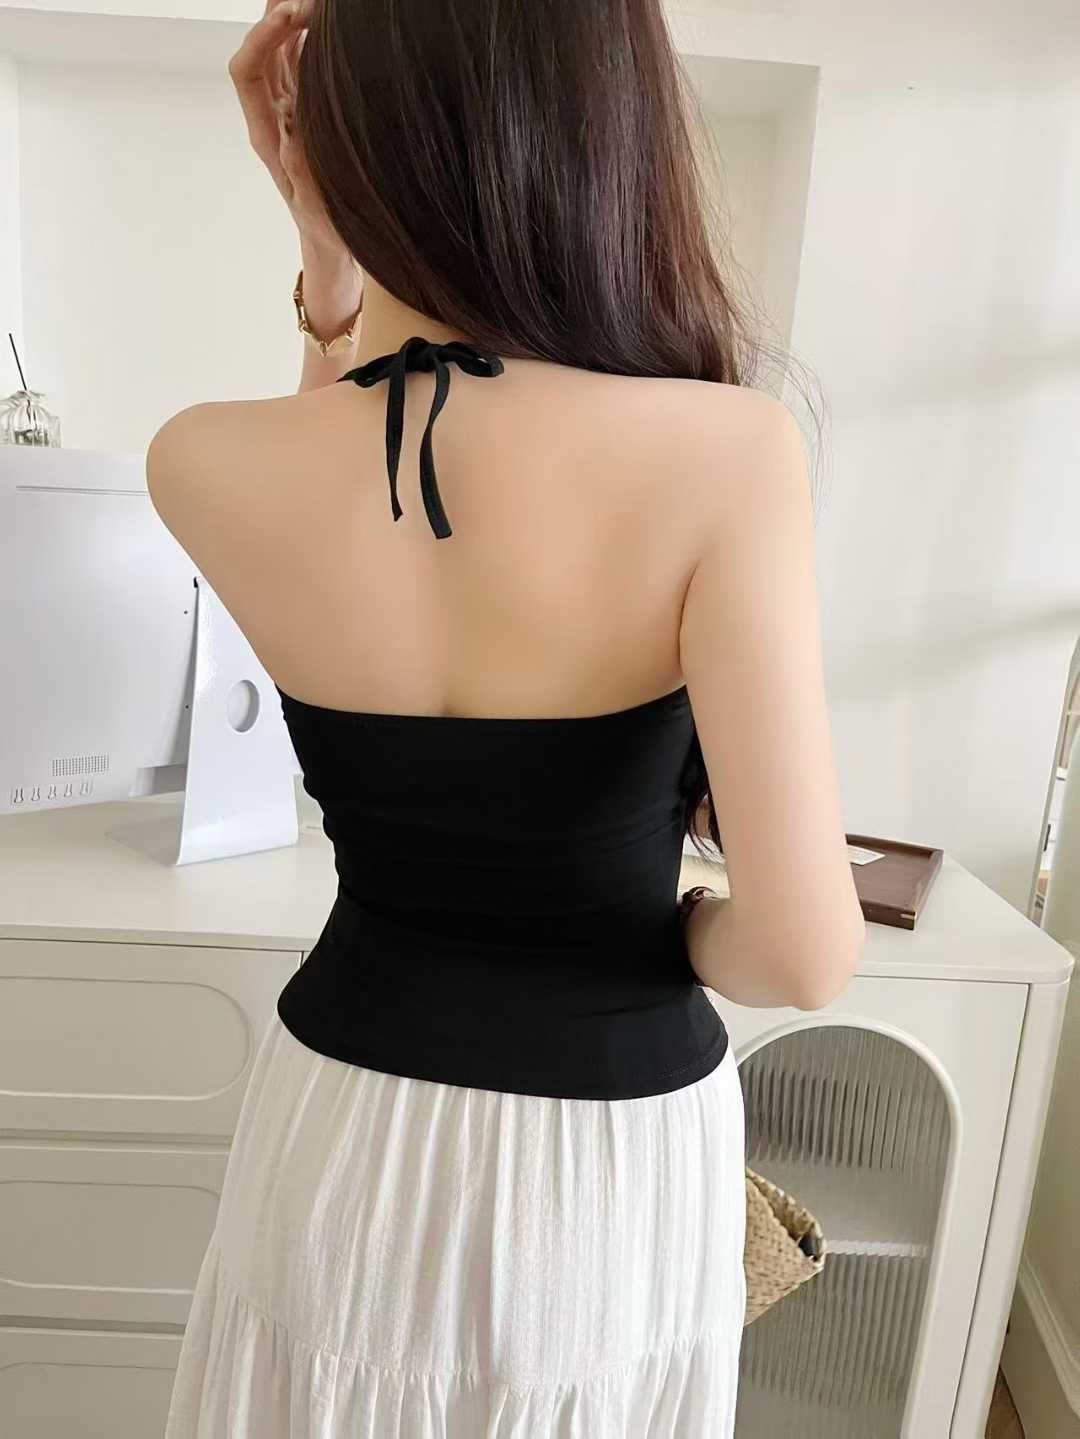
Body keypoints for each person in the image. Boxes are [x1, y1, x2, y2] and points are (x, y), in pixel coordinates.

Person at [150, 1, 866, 1434]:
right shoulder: (725, 453)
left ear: (327, 138)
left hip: (344, 1129)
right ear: (607, 127)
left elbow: (354, 474)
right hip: (606, 1169)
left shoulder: (201, 461)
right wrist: (663, 922)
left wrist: (327, 255)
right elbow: (802, 954)